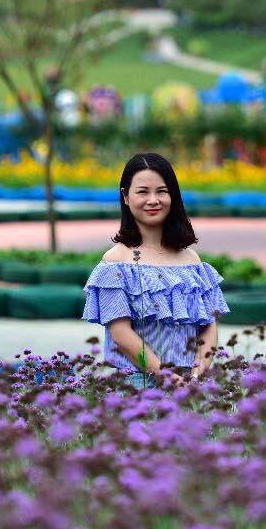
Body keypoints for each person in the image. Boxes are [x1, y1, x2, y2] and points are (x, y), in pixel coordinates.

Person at [82, 153, 230, 390]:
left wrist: (197, 372)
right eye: (143, 192)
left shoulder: (192, 261)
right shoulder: (116, 261)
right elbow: (121, 334)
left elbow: (209, 325)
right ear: (126, 197)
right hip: (136, 386)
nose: (153, 200)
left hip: (190, 386)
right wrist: (166, 377)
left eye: (162, 191)